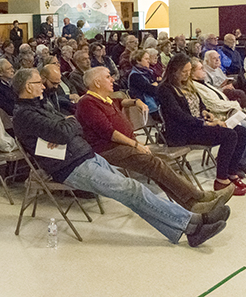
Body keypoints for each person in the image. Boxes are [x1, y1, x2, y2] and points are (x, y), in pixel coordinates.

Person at [12, 68, 229, 247]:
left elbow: (69, 125)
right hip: (71, 167)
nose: (43, 85)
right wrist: (67, 126)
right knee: (131, 189)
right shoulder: (25, 115)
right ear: (29, 87)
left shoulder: (41, 106)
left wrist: (66, 125)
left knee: (134, 190)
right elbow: (67, 129)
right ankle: (192, 223)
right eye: (39, 82)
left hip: (85, 155)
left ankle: (190, 223)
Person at [77, 67, 232, 212]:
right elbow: (109, 132)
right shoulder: (87, 102)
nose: (112, 79)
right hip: (108, 149)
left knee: (156, 167)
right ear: (97, 83)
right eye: (108, 77)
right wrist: (136, 144)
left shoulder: (105, 99)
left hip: (120, 145)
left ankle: (193, 206)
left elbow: (119, 101)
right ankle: (199, 197)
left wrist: (135, 101)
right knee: (154, 163)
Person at [157, 54, 246, 195]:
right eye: (184, 72)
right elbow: (178, 115)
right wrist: (204, 123)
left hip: (198, 125)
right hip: (184, 131)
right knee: (229, 135)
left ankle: (232, 172)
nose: (187, 75)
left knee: (241, 131)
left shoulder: (188, 84)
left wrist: (206, 113)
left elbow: (200, 104)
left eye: (188, 71)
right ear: (174, 71)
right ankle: (221, 180)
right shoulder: (165, 89)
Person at [128, 49, 159, 117]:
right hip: (148, 107)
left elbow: (155, 85)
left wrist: (155, 85)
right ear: (138, 61)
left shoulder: (148, 72)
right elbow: (151, 90)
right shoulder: (135, 76)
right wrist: (155, 85)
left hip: (156, 102)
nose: (149, 61)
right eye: (146, 59)